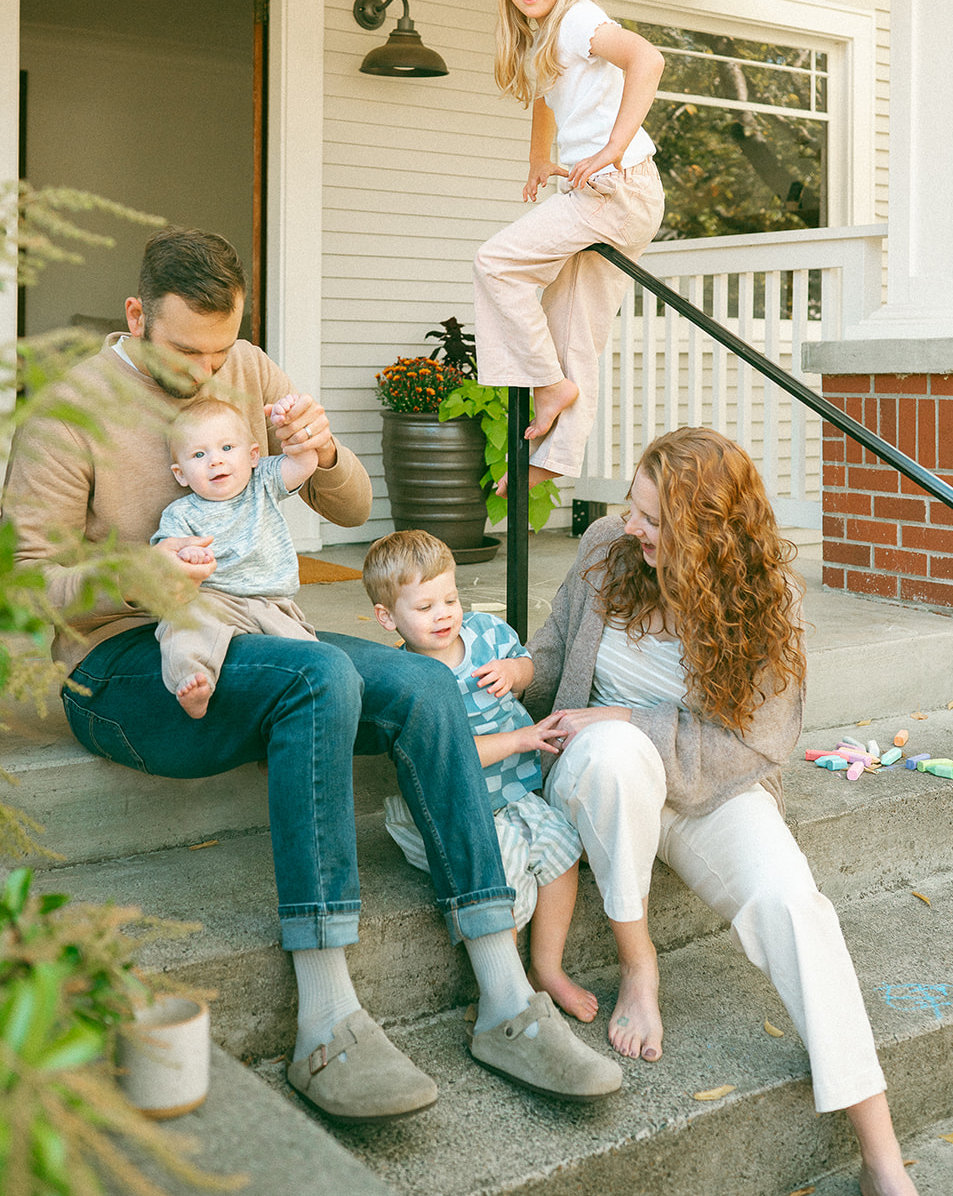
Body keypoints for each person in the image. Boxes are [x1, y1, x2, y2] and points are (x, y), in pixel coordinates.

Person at [2, 226, 621, 1120]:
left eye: (222, 349)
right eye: (185, 351)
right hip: (119, 664)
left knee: (417, 685)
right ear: (136, 316)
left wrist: (325, 453)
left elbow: (354, 504)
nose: (208, 373)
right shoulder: (67, 412)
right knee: (317, 678)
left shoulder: (246, 367)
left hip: (256, 634)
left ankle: (504, 996)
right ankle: (327, 1019)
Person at [524, 428, 919, 1196]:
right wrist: (514, 670)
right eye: (632, 508)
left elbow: (760, 742)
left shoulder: (764, 602)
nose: (630, 525)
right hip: (599, 781)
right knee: (612, 757)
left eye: (652, 518)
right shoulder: (607, 547)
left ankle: (881, 1158)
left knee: (793, 904)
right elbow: (554, 655)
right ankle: (639, 969)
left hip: (710, 789)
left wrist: (628, 720)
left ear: (706, 531)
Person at [363, 529, 597, 1024]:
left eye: (450, 598)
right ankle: (497, 987)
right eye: (424, 608)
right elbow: (443, 759)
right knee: (502, 874)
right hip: (458, 809)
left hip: (515, 793)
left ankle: (547, 969)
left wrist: (516, 673)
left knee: (562, 848)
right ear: (388, 618)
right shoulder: (402, 680)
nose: (444, 613)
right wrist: (520, 738)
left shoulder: (488, 634)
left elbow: (531, 665)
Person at [473, 0, 665, 492]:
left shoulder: (579, 18)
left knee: (497, 262)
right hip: (615, 193)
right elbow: (542, 97)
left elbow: (647, 59)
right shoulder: (544, 34)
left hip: (616, 188)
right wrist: (539, 157)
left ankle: (546, 386)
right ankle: (552, 458)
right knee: (575, 329)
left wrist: (614, 145)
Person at [150, 396, 317, 718]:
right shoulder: (180, 513)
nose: (215, 461)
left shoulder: (264, 481)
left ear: (253, 455)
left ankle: (290, 721)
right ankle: (193, 680)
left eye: (227, 448)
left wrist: (293, 433)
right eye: (199, 454)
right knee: (181, 627)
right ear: (180, 473)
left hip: (272, 602)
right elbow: (166, 557)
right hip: (212, 599)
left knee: (313, 657)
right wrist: (188, 554)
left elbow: (303, 465)